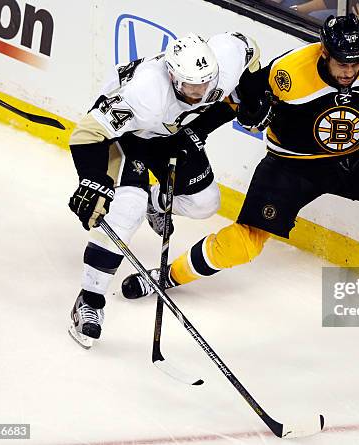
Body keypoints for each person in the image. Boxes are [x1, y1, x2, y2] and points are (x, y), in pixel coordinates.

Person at [121, 14, 359, 310]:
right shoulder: (289, 73)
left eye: (356, 64)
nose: (349, 72)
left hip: (356, 157)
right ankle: (167, 276)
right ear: (324, 52)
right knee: (245, 243)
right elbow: (239, 101)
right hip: (293, 165)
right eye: (342, 64)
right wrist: (198, 131)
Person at [67, 32, 260, 348]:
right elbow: (88, 132)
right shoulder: (146, 93)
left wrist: (251, 96)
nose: (199, 92)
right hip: (130, 135)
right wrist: (92, 180)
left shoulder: (223, 60)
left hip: (170, 130)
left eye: (205, 83)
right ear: (172, 75)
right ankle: (89, 302)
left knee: (204, 203)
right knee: (126, 209)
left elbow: (249, 49)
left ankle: (154, 204)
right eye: (190, 85)